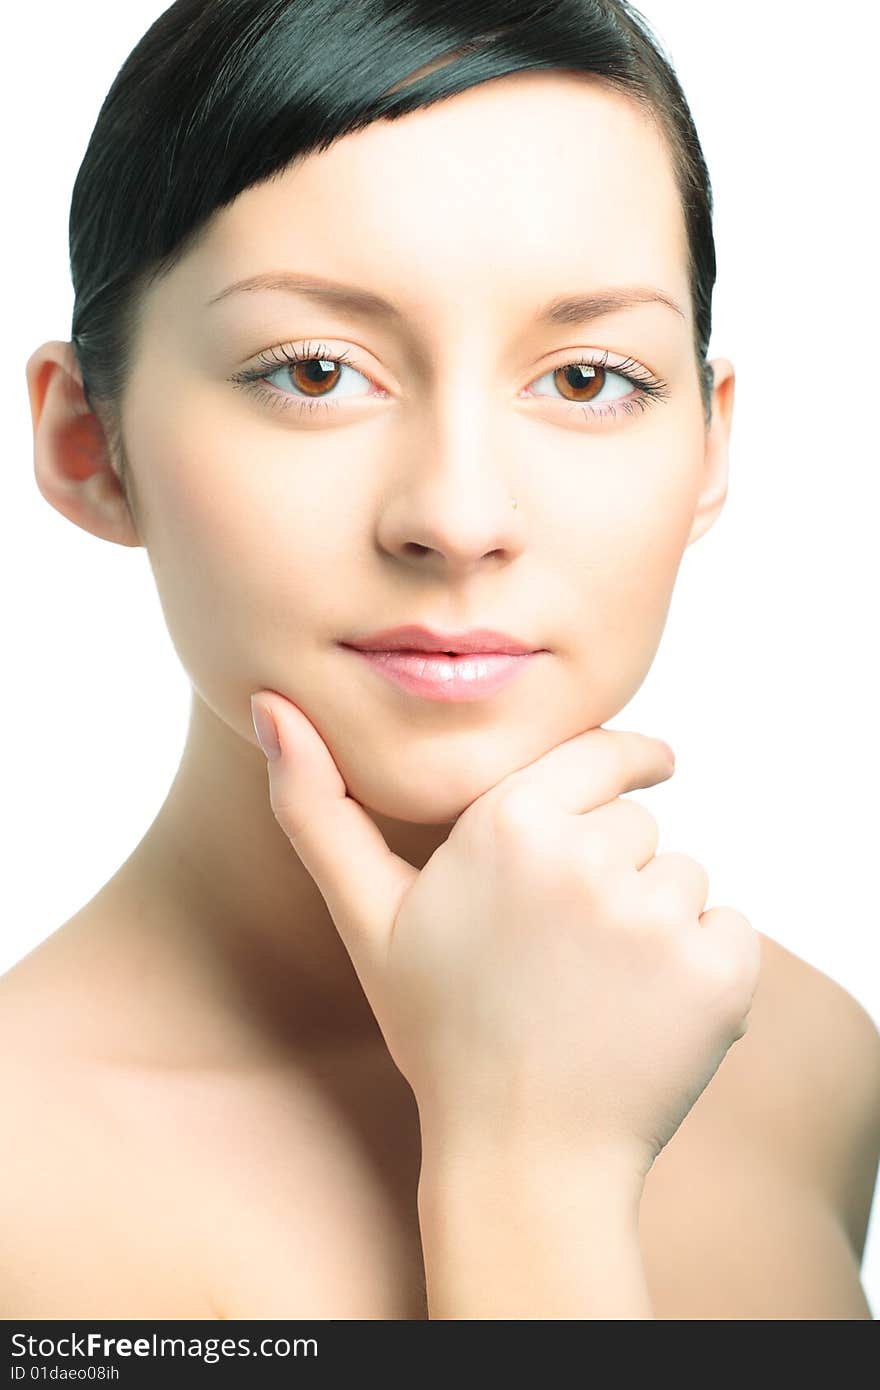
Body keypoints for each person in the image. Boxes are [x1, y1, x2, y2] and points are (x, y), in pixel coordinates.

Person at [9, 0, 879, 1319]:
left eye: (587, 379)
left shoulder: (807, 1058)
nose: (460, 515)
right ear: (91, 443)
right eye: (313, 371)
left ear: (709, 448)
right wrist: (534, 1172)